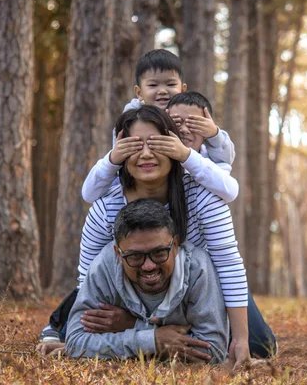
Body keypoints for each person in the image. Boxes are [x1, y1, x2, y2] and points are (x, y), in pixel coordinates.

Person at [41, 106, 276, 367]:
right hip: (133, 294)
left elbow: (228, 265)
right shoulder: (106, 206)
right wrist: (134, 327)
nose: (146, 154)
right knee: (82, 331)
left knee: (257, 344)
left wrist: (241, 339)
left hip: (197, 292)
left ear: (174, 146)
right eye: (134, 145)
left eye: (157, 143)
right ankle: (56, 326)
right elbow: (89, 278)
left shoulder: (203, 196)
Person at [64, 198, 229, 363]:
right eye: (135, 256)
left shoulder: (198, 268)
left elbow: (213, 351)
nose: (148, 266)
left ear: (175, 245)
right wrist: (151, 340)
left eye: (159, 252)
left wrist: (133, 326)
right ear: (118, 254)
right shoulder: (103, 267)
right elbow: (75, 343)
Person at [82, 50, 238, 204]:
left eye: (170, 84)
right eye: (153, 84)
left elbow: (225, 163)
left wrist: (214, 134)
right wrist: (113, 160)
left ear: (183, 89)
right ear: (139, 92)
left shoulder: (193, 122)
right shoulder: (129, 124)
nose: (162, 91)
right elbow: (116, 171)